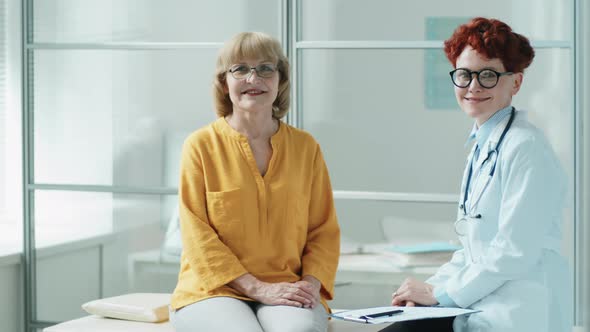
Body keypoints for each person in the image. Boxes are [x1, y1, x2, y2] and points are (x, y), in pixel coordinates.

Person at [382, 17, 572, 332]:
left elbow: (513, 252)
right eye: (464, 74)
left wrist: (438, 295)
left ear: (516, 82)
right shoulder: (483, 145)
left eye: (487, 75)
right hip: (479, 300)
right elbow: (471, 250)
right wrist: (426, 289)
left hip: (517, 309)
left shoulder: (526, 148)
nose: (473, 87)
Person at [169, 32, 341, 332]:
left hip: (287, 285)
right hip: (213, 290)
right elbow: (197, 236)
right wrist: (256, 288)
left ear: (280, 79)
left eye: (265, 68)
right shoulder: (200, 145)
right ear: (225, 82)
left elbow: (323, 230)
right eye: (240, 69)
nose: (254, 78)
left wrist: (311, 285)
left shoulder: (305, 147)